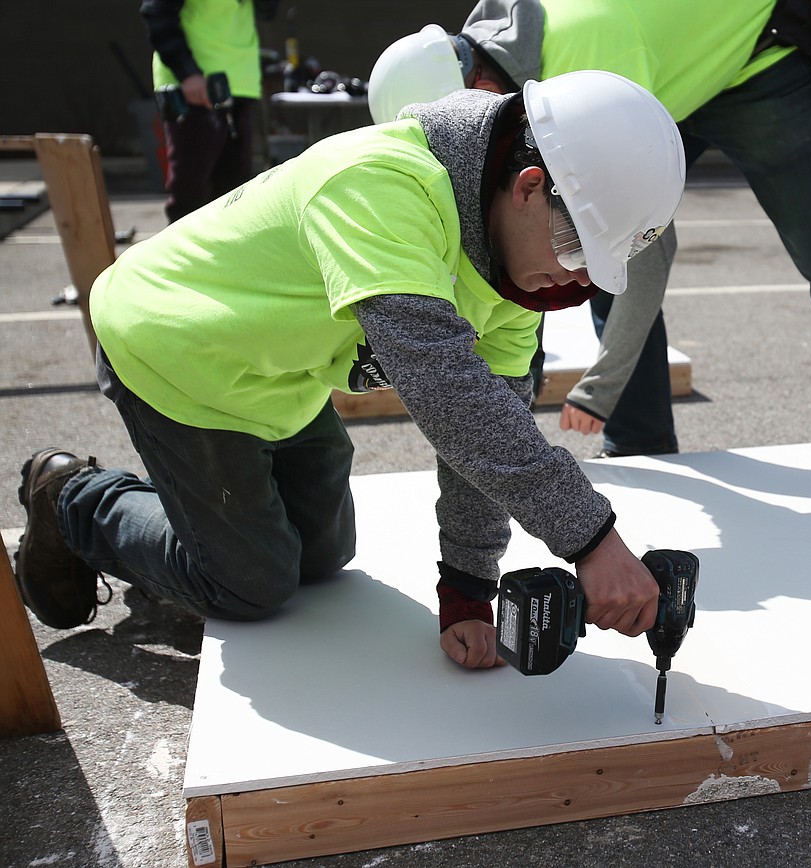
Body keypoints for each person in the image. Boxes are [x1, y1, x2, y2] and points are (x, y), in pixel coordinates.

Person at [13, 71, 687, 671]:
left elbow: (488, 429)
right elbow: (447, 395)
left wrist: (468, 590)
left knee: (323, 555)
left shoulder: (518, 279)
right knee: (253, 585)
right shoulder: (383, 188)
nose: (570, 277)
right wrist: (591, 539)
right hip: (178, 351)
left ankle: (198, 514)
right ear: (530, 187)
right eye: (575, 247)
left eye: (590, 266)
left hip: (279, 374)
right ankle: (75, 499)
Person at [369, 0, 811, 529]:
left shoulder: (586, 62)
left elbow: (646, 250)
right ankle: (643, 446)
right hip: (665, 75)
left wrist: (598, 390)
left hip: (754, 64)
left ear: (477, 86)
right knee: (585, 244)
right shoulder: (498, 52)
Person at [141, 0, 279, 223]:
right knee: (191, 189)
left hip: (240, 82)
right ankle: (182, 255)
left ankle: (228, 255)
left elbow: (267, 11)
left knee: (235, 192)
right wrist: (187, 72)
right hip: (196, 86)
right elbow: (157, 13)